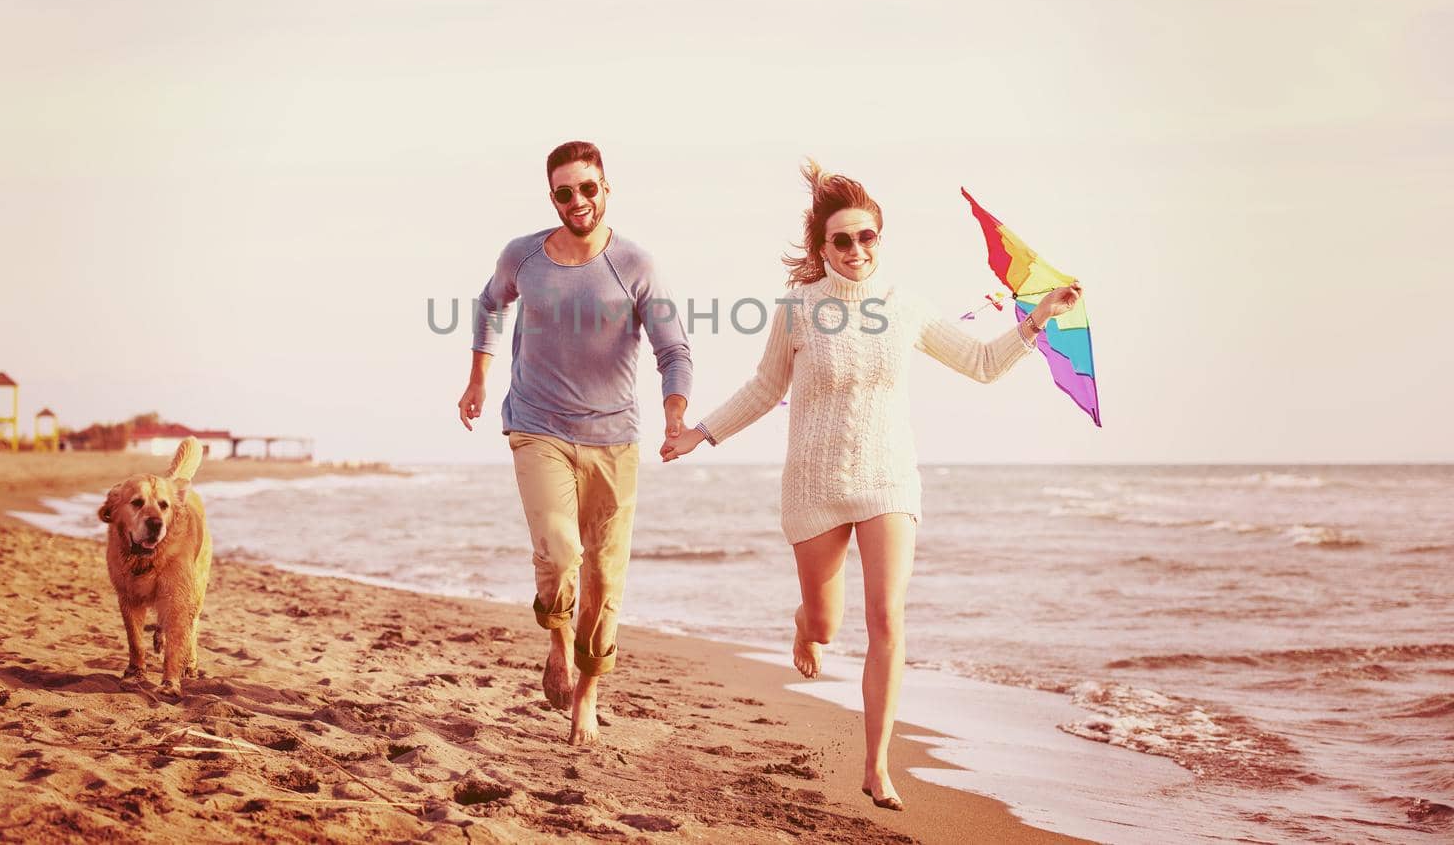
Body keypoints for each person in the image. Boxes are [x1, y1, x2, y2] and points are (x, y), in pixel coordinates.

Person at [660, 161, 1081, 810]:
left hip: (888, 480)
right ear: (821, 247)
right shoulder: (799, 308)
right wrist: (701, 432)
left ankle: (877, 765)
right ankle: (805, 624)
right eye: (843, 241)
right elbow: (767, 387)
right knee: (828, 625)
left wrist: (1040, 319)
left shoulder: (905, 306)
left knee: (888, 617)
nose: (857, 251)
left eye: (868, 238)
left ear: (881, 239)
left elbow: (980, 363)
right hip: (814, 484)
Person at [460, 140, 693, 746]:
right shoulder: (524, 256)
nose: (578, 201)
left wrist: (675, 415)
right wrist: (478, 380)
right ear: (553, 198)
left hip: (614, 439)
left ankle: (587, 695)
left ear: (606, 189)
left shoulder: (636, 264)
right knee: (561, 553)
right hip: (537, 425)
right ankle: (558, 639)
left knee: (605, 579)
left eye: (588, 188)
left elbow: (674, 350)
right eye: (565, 192)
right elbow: (489, 306)